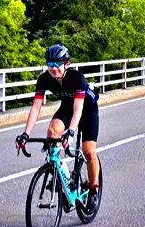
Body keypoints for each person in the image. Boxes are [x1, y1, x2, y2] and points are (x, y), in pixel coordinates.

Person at [15, 44, 101, 198]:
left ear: (66, 64)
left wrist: (71, 132)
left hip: (87, 110)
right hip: (67, 107)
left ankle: (94, 188)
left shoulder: (77, 78)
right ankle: (59, 174)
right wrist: (25, 134)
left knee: (88, 151)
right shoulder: (44, 79)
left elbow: (78, 109)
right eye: (49, 64)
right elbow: (36, 107)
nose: (53, 68)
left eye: (57, 64)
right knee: (52, 132)